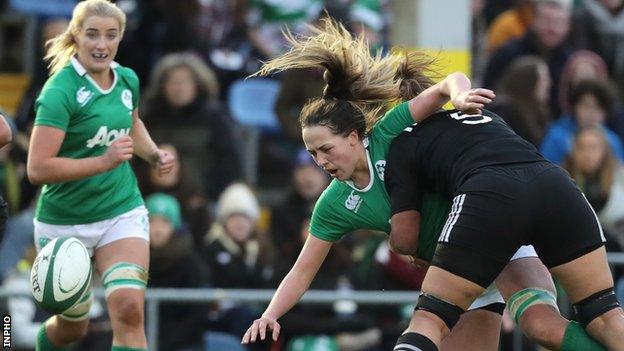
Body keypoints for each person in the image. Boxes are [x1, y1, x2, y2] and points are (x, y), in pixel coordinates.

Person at [241, 19, 606, 351]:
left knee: (541, 326)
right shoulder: (334, 203)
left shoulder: (390, 133)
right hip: (453, 266)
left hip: (491, 231)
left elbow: (448, 84)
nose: (320, 161)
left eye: (326, 149)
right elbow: (302, 270)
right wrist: (271, 314)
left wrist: (460, 98)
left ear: (354, 137)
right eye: (312, 153)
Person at [383, 93, 623, 350]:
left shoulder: (400, 143)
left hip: (488, 206)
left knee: (430, 317)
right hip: (555, 185)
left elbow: (405, 240)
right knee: (596, 314)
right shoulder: (485, 115)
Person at [26, 1, 175, 350]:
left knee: (128, 310)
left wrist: (152, 153)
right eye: (92, 34)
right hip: (64, 222)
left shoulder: (127, 79)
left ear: (120, 38)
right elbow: (37, 168)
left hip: (119, 210)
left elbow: (132, 122)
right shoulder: (59, 92)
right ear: (76, 36)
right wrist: (103, 161)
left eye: (111, 35)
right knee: (73, 327)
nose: (101, 44)